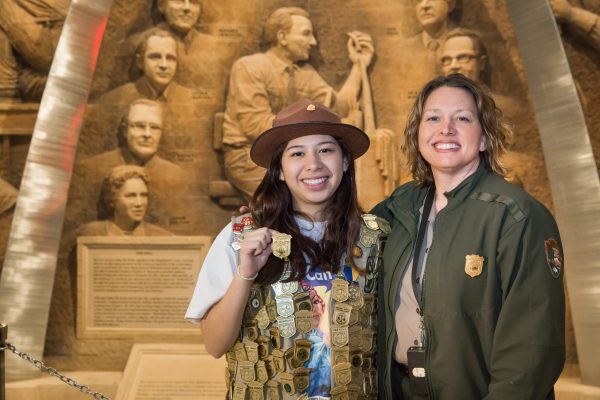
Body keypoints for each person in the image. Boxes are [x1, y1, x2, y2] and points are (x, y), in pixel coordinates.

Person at [372, 74, 565, 399]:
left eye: (462, 118)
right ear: (418, 133)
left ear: (485, 138)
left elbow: (532, 351)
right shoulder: (398, 209)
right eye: (433, 118)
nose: (445, 128)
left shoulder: (516, 217)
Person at [186, 99, 388, 398]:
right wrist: (245, 273)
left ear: (345, 162)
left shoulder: (376, 237)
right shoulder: (243, 234)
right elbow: (215, 345)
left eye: (325, 150)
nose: (313, 164)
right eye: (297, 153)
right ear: (279, 170)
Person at [221, 6, 374, 199]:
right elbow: (255, 126)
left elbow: (337, 108)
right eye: (306, 34)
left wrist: (359, 65)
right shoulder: (249, 67)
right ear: (282, 37)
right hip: (249, 158)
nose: (313, 42)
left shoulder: (305, 73)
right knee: (301, 197)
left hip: (296, 156)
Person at [77, 99, 187, 226]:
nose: (147, 134)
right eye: (140, 126)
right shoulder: (91, 169)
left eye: (155, 128)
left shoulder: (179, 177)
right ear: (125, 130)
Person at [94, 28, 193, 105]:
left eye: (170, 58)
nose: (164, 65)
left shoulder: (190, 99)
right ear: (140, 62)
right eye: (155, 57)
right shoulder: (115, 99)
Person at [77, 165, 172, 236]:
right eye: (131, 196)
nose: (139, 203)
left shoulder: (162, 236)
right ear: (112, 200)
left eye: (143, 195)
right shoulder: (91, 233)